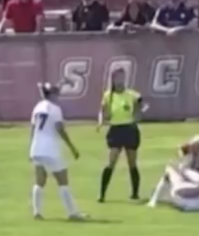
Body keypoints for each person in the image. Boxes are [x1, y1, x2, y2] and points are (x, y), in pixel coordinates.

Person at [29, 82, 85, 221]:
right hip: (50, 149)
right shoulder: (55, 109)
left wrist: (31, 147)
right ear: (52, 94)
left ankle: (37, 212)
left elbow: (32, 129)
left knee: (39, 181)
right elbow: (60, 129)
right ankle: (72, 213)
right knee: (63, 181)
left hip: (37, 147)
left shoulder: (37, 107)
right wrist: (72, 147)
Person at [97, 68, 144, 203]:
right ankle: (102, 194)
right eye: (117, 78)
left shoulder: (132, 95)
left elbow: (139, 107)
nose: (120, 81)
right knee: (111, 161)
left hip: (130, 129)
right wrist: (101, 121)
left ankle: (135, 193)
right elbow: (103, 111)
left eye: (122, 78)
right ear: (113, 80)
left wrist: (137, 113)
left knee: (132, 162)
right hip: (116, 130)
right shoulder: (108, 95)